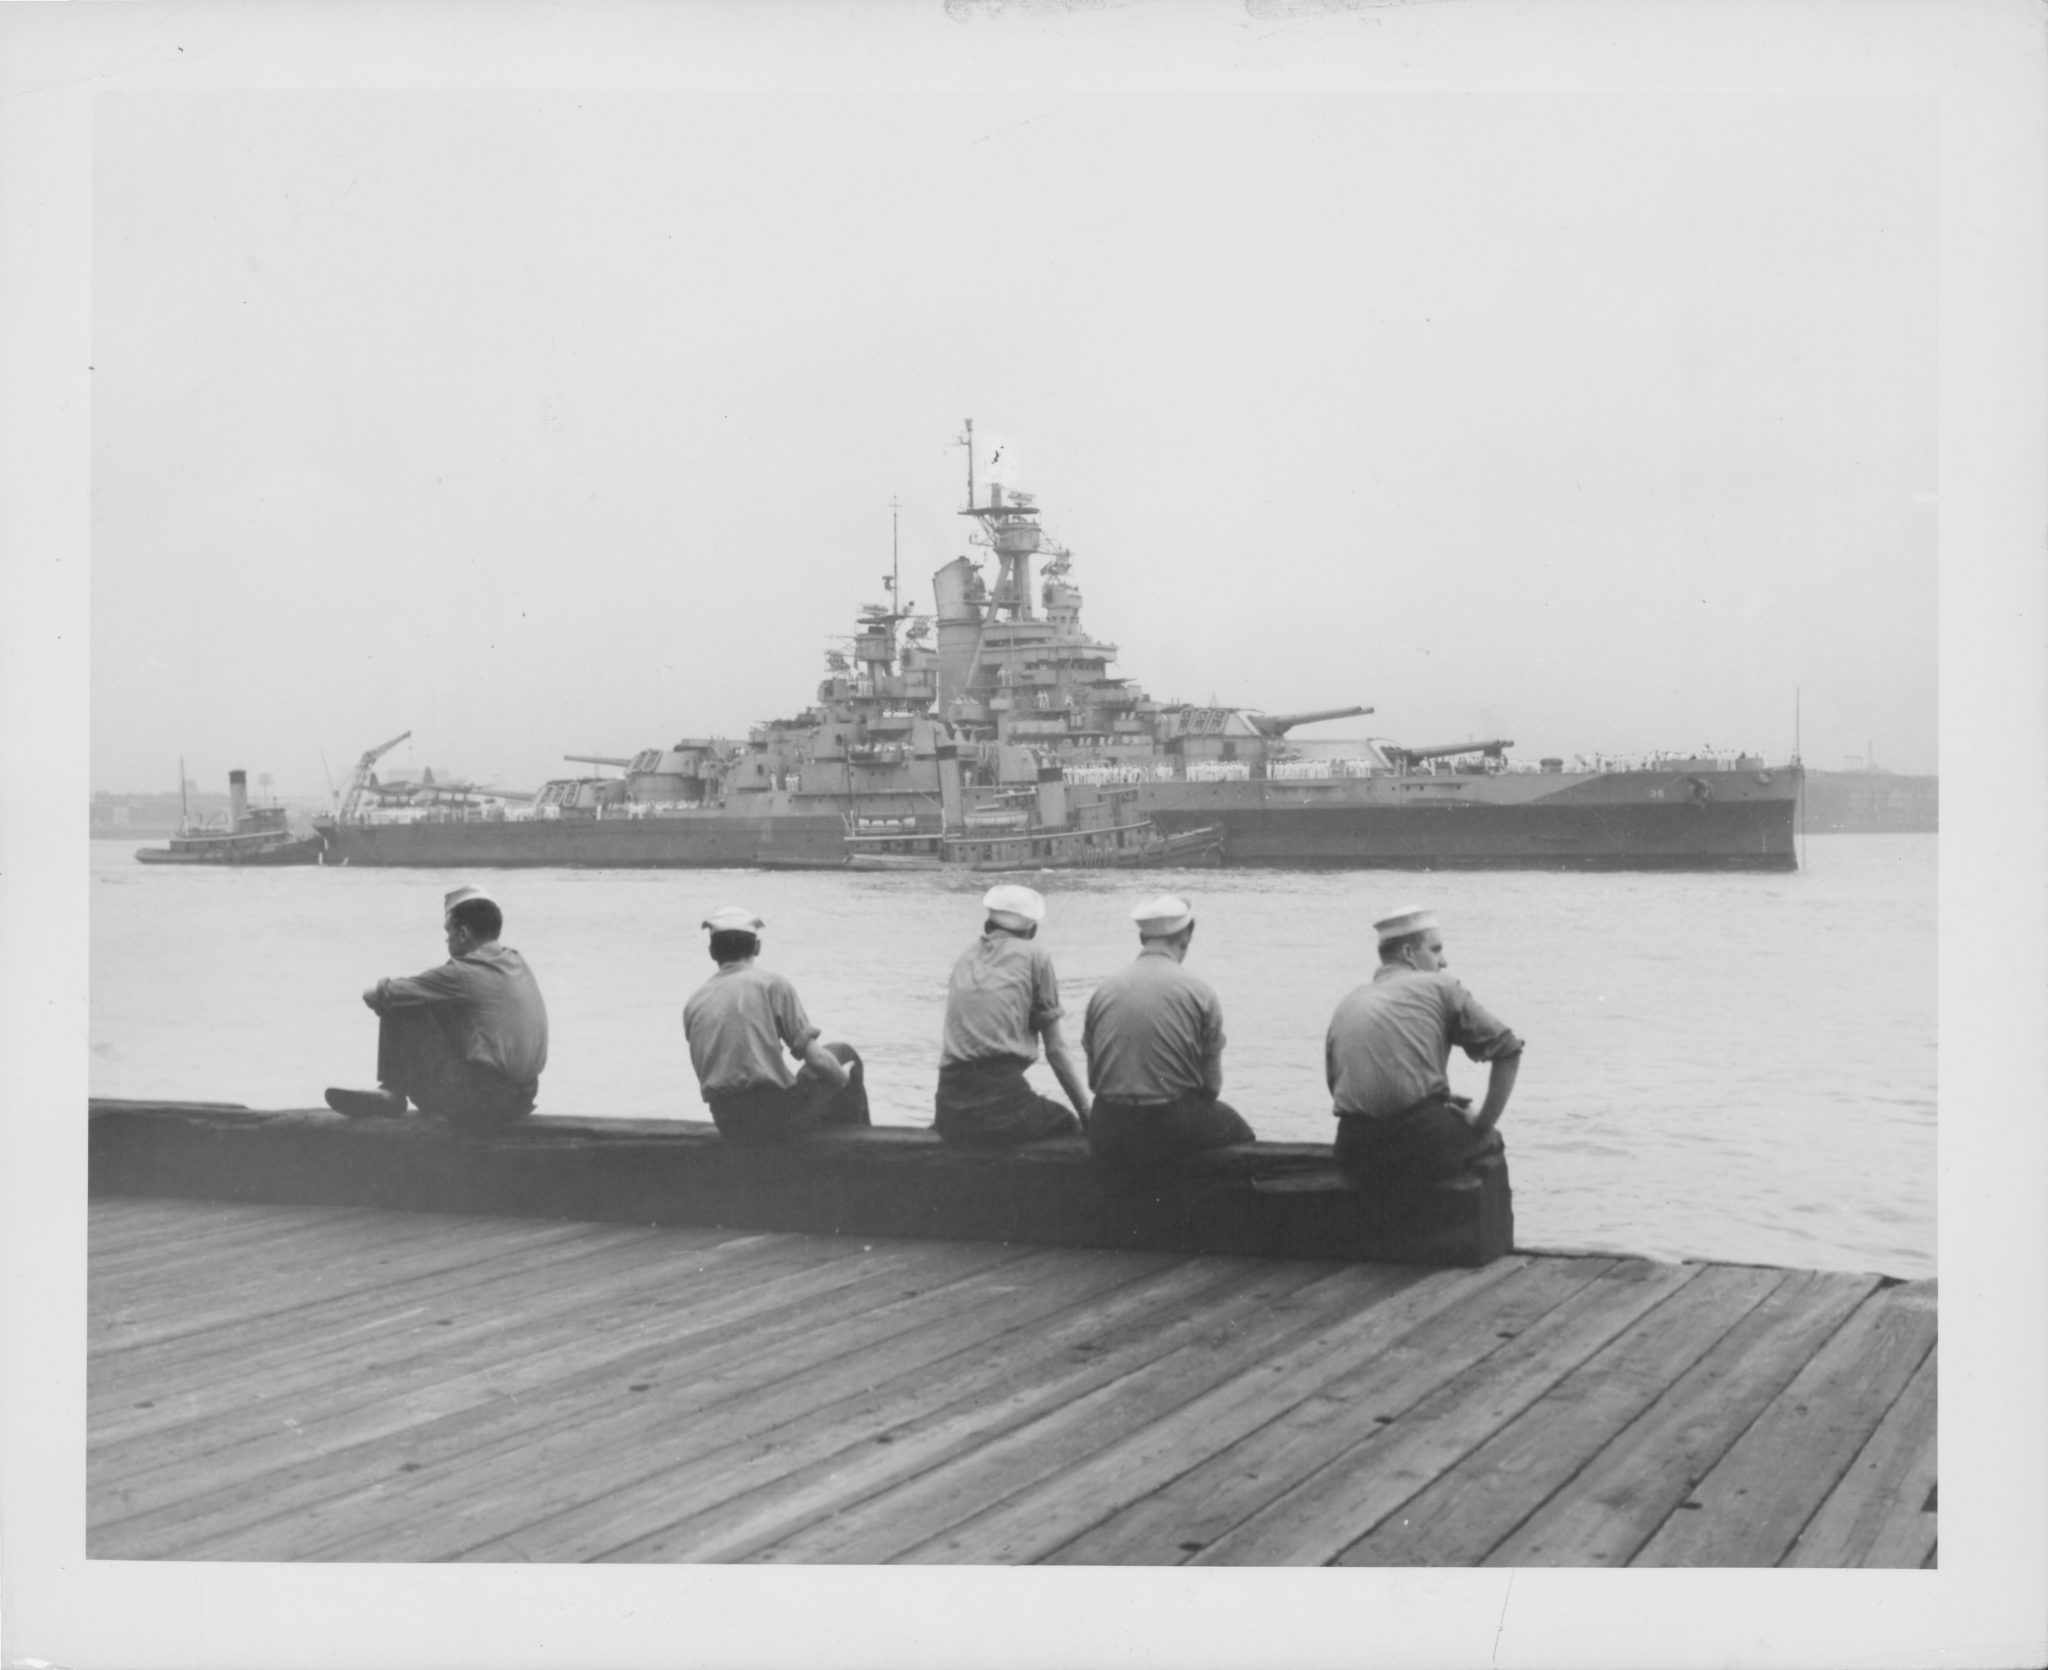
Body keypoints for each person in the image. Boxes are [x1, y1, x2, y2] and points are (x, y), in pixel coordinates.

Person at [1325, 905, 1523, 1190]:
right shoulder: (1440, 987)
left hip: (1354, 1151)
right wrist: (1481, 1122)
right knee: (1490, 1139)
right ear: (1408, 953)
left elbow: (1339, 1086)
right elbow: (1508, 1051)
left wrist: (1424, 1091)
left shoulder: (1348, 1003)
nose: (1444, 961)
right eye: (1435, 949)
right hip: (1422, 1145)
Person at [324, 884, 549, 1135]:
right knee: (430, 1001)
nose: (446, 939)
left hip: (484, 1103)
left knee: (402, 1001)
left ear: (462, 934)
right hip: (523, 1098)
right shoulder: (516, 960)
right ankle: (392, 1090)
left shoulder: (462, 973)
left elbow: (376, 994)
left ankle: (391, 1091)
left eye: (448, 932)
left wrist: (387, 1000)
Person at [1082, 894, 1255, 1166]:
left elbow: (1095, 1078)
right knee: (1240, 1132)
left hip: (1107, 1125)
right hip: (1168, 1123)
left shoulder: (1103, 992)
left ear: (1142, 939)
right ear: (1185, 938)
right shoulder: (1200, 993)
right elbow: (1211, 1086)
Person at [681, 905, 869, 1145]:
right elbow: (817, 1060)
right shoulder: (772, 985)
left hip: (727, 1122)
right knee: (842, 1053)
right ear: (757, 947)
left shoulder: (694, 1003)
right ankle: (861, 1144)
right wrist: (844, 1082)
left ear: (712, 952)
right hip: (776, 1117)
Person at [932, 884, 1089, 1147]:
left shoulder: (965, 959)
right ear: (1033, 931)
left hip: (949, 1106)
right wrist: (1088, 1115)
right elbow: (1057, 1051)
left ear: (987, 927)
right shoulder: (1035, 955)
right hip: (1000, 1101)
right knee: (1066, 1124)